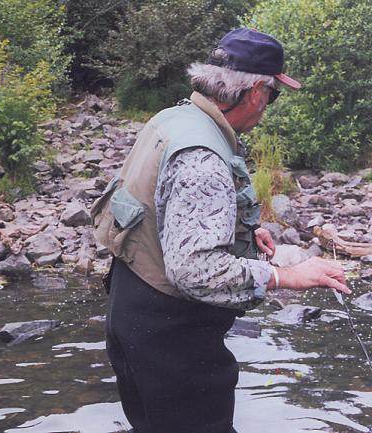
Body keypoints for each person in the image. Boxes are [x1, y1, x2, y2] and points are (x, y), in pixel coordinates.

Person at [91, 28, 351, 433]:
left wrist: (241, 230)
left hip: (131, 309)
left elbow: (164, 209)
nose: (268, 106)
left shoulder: (174, 118)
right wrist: (286, 276)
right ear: (255, 94)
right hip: (170, 337)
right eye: (273, 95)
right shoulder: (203, 157)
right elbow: (195, 270)